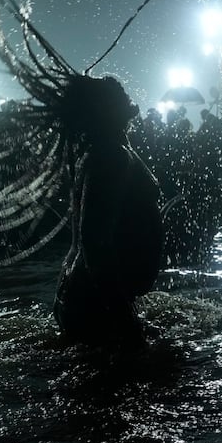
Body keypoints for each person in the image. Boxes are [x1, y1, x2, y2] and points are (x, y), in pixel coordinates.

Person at [53, 76, 164, 348]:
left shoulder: (107, 151)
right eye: (117, 94)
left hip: (91, 295)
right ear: (105, 110)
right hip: (96, 301)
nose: (125, 94)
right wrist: (127, 322)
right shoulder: (110, 156)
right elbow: (94, 242)